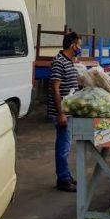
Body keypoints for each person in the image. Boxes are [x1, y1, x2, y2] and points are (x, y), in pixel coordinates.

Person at [48, 32, 81, 192]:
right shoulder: (59, 62)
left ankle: (65, 174)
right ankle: (63, 179)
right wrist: (61, 112)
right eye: (79, 45)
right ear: (72, 45)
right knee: (63, 145)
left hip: (68, 111)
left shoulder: (69, 61)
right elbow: (55, 87)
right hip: (61, 112)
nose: (79, 48)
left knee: (66, 144)